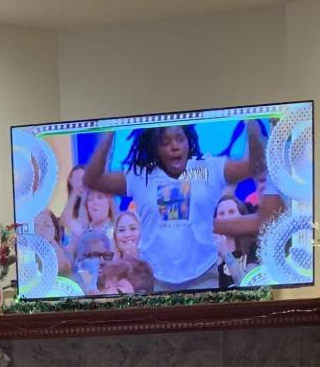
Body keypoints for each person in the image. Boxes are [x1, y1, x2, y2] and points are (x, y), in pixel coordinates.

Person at [83, 120, 265, 290]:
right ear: (155, 147)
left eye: (180, 139)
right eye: (165, 142)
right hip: (156, 279)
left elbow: (254, 167)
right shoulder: (141, 175)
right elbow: (93, 180)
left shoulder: (206, 169)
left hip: (203, 276)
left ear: (189, 141)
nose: (175, 146)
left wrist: (252, 126)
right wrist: (108, 132)